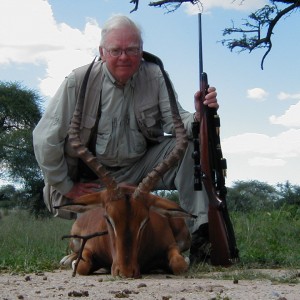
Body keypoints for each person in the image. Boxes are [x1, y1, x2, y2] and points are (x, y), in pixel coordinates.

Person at [33, 15, 219, 264]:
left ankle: (202, 235)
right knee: (101, 228)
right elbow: (45, 138)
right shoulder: (78, 81)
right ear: (102, 52)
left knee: (192, 145)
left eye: (132, 49)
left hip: (143, 170)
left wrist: (198, 115)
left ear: (141, 51)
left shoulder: (155, 76)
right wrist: (67, 186)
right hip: (96, 179)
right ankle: (85, 251)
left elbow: (176, 123)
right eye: (116, 50)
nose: (124, 56)